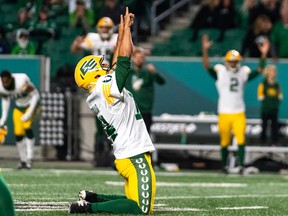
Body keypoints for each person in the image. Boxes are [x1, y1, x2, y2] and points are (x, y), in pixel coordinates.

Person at [69, 7, 156, 214]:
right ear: (93, 73)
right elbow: (124, 61)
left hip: (126, 156)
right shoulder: (105, 85)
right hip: (134, 156)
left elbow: (119, 60)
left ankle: (92, 198)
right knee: (141, 210)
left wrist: (123, 35)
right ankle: (90, 208)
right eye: (99, 64)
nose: (105, 64)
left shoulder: (98, 91)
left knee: (132, 202)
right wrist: (125, 31)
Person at [201, 34, 269, 174]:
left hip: (238, 111)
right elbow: (207, 66)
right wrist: (205, 50)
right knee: (224, 142)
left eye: (235, 61)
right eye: (231, 62)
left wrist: (264, 54)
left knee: (241, 140)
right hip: (224, 112)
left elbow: (260, 70)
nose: (233, 64)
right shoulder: (220, 73)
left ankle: (241, 166)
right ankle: (224, 166)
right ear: (227, 61)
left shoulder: (243, 73)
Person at [0, 70, 40, 169]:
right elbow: (6, 100)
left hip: (30, 105)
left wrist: (29, 113)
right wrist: (3, 118)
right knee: (18, 133)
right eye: (3, 81)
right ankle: (23, 160)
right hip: (18, 107)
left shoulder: (21, 81)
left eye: (7, 81)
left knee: (27, 127)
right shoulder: (1, 86)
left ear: (11, 79)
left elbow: (35, 95)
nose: (5, 84)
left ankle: (30, 158)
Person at [125, 48, 165, 134]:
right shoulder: (128, 72)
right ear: (133, 58)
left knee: (145, 135)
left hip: (145, 109)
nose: (139, 60)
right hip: (130, 109)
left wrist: (154, 72)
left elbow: (162, 82)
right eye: (137, 57)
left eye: (141, 57)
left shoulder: (148, 72)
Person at [257, 65, 282, 145]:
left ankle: (275, 142)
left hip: (274, 110)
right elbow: (260, 96)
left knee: (274, 127)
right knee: (264, 126)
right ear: (268, 73)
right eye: (271, 71)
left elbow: (280, 96)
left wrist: (275, 103)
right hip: (265, 109)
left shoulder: (277, 85)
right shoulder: (263, 84)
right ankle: (262, 142)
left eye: (274, 72)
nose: (273, 73)